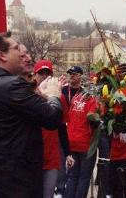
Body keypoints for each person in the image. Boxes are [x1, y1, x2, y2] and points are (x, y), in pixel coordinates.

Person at [0, 32, 62, 198]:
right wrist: (54, 95)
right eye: (16, 48)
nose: (22, 53)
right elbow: (52, 118)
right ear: (2, 55)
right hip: (13, 185)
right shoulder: (11, 85)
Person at [33, 60, 75, 198]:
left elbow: (62, 126)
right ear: (35, 75)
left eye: (48, 73)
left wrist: (68, 153)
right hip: (31, 157)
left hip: (51, 157)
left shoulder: (59, 97)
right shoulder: (28, 94)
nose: (45, 76)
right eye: (41, 73)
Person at [63, 73, 98, 198]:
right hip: (86, 143)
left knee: (73, 176)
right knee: (84, 177)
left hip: (72, 141)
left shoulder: (75, 97)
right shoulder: (93, 101)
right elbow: (93, 119)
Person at [56, 65, 84, 197]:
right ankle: (60, 188)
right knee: (62, 159)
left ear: (80, 76)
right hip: (63, 128)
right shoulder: (62, 90)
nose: (71, 76)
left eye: (74, 74)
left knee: (73, 164)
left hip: (77, 132)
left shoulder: (84, 92)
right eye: (70, 74)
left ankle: (70, 188)